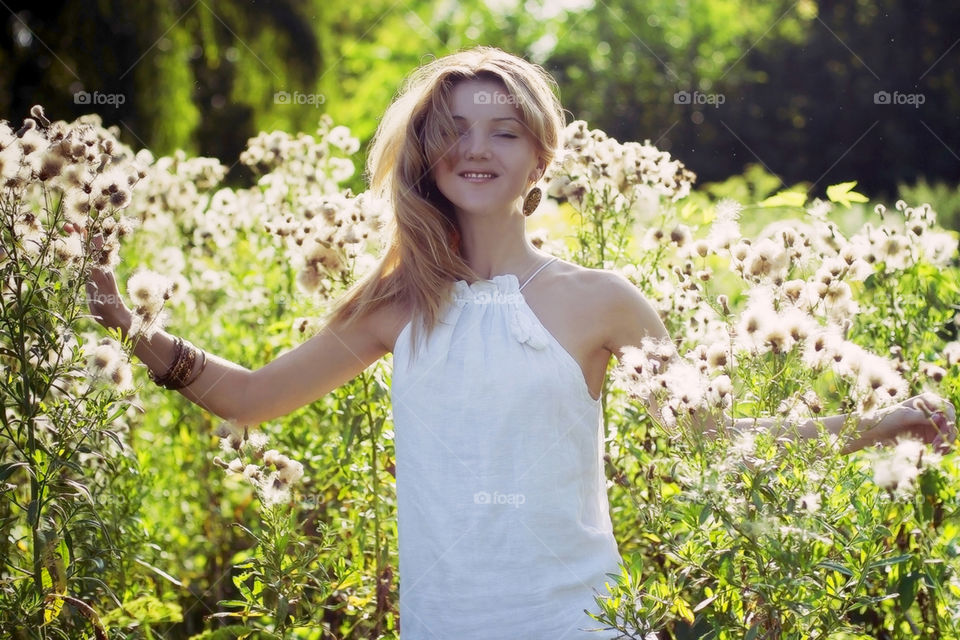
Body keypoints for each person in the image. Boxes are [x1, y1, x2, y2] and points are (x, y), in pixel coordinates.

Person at [72, 46, 956, 639]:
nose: (476, 147)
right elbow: (251, 398)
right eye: (453, 129)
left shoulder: (601, 303)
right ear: (426, 153)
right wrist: (126, 324)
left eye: (503, 129)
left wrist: (880, 420)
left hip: (578, 622)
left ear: (541, 158)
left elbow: (718, 447)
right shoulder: (399, 305)